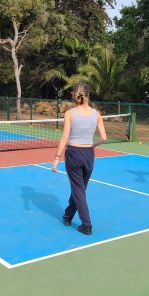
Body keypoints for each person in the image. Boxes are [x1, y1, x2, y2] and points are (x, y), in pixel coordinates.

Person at [51, 83, 107, 235]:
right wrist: (91, 145)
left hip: (74, 154)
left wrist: (56, 157)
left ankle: (86, 224)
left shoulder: (70, 113)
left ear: (74, 95)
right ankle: (68, 215)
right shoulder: (96, 114)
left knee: (78, 190)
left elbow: (64, 137)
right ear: (89, 95)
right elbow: (104, 138)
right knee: (80, 189)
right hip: (89, 155)